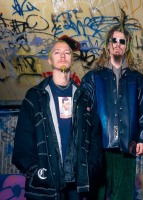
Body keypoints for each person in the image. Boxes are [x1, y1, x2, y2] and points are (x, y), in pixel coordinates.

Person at [12, 39, 101, 200]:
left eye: (67, 53)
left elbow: (94, 138)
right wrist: (36, 172)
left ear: (72, 59)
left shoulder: (84, 98)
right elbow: (22, 142)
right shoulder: (35, 97)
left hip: (77, 187)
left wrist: (90, 169)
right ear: (50, 60)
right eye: (57, 52)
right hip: (44, 187)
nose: (62, 56)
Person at [80, 20, 143, 199]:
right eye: (114, 40)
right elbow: (83, 113)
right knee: (99, 194)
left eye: (122, 41)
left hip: (128, 145)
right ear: (108, 45)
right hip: (100, 145)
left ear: (127, 47)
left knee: (123, 195)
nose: (118, 44)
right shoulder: (93, 77)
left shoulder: (136, 78)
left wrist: (142, 139)